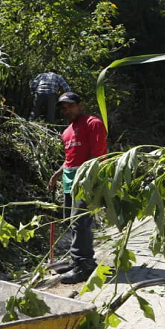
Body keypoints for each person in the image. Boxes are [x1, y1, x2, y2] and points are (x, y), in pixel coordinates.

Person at [48, 92, 107, 284]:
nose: (67, 110)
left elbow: (98, 155)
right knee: (72, 221)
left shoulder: (93, 123)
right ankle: (78, 259)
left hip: (85, 180)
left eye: (70, 106)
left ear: (80, 105)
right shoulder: (67, 131)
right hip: (68, 180)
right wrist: (57, 175)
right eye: (63, 108)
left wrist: (89, 180)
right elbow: (69, 160)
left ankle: (84, 265)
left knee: (80, 222)